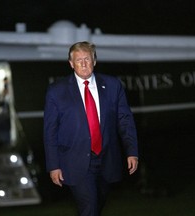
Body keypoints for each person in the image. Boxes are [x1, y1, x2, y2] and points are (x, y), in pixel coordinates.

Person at [44, 41, 139, 216]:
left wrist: (132, 151)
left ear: (94, 60)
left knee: (96, 206)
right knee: (89, 207)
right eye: (78, 60)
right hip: (75, 161)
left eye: (87, 59)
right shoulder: (57, 91)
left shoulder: (112, 86)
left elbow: (124, 119)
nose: (83, 63)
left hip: (107, 159)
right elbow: (50, 130)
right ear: (71, 64)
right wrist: (53, 165)